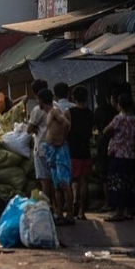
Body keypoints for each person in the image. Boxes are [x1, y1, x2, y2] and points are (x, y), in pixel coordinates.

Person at [103, 93, 135, 222]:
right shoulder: (134, 118)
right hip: (130, 154)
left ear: (119, 104)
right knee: (129, 183)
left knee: (118, 183)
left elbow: (106, 130)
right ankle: (128, 210)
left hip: (118, 154)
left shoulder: (119, 118)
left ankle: (119, 212)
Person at [39, 88, 74, 225]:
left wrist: (61, 139)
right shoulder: (48, 113)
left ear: (41, 101)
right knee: (57, 185)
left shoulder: (54, 111)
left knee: (64, 184)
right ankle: (59, 213)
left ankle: (70, 214)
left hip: (59, 150)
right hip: (52, 150)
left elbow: (66, 124)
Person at [27, 79, 57, 207]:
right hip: (56, 147)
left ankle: (47, 208)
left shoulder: (37, 109)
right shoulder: (56, 106)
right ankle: (58, 209)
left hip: (41, 147)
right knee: (56, 180)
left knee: (45, 181)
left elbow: (30, 129)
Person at [67, 86, 93, 220]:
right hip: (85, 150)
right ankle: (82, 211)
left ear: (73, 97)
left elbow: (65, 128)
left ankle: (74, 201)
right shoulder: (90, 114)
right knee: (84, 181)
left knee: (74, 180)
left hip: (73, 150)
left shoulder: (70, 112)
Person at [94, 91, 118, 212]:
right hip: (114, 146)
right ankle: (115, 201)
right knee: (114, 174)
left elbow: (99, 128)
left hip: (103, 145)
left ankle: (108, 202)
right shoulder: (114, 111)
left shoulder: (97, 111)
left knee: (103, 174)